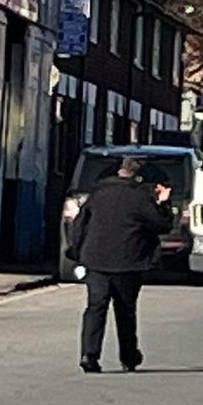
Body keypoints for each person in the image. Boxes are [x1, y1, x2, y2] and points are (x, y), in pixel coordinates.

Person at [67, 157, 173, 374]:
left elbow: (79, 225)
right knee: (125, 310)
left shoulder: (98, 193)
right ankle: (128, 356)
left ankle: (89, 354)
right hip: (128, 260)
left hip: (96, 259)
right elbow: (162, 225)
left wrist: (77, 253)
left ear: (119, 171)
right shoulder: (141, 196)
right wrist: (163, 203)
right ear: (138, 176)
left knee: (96, 307)